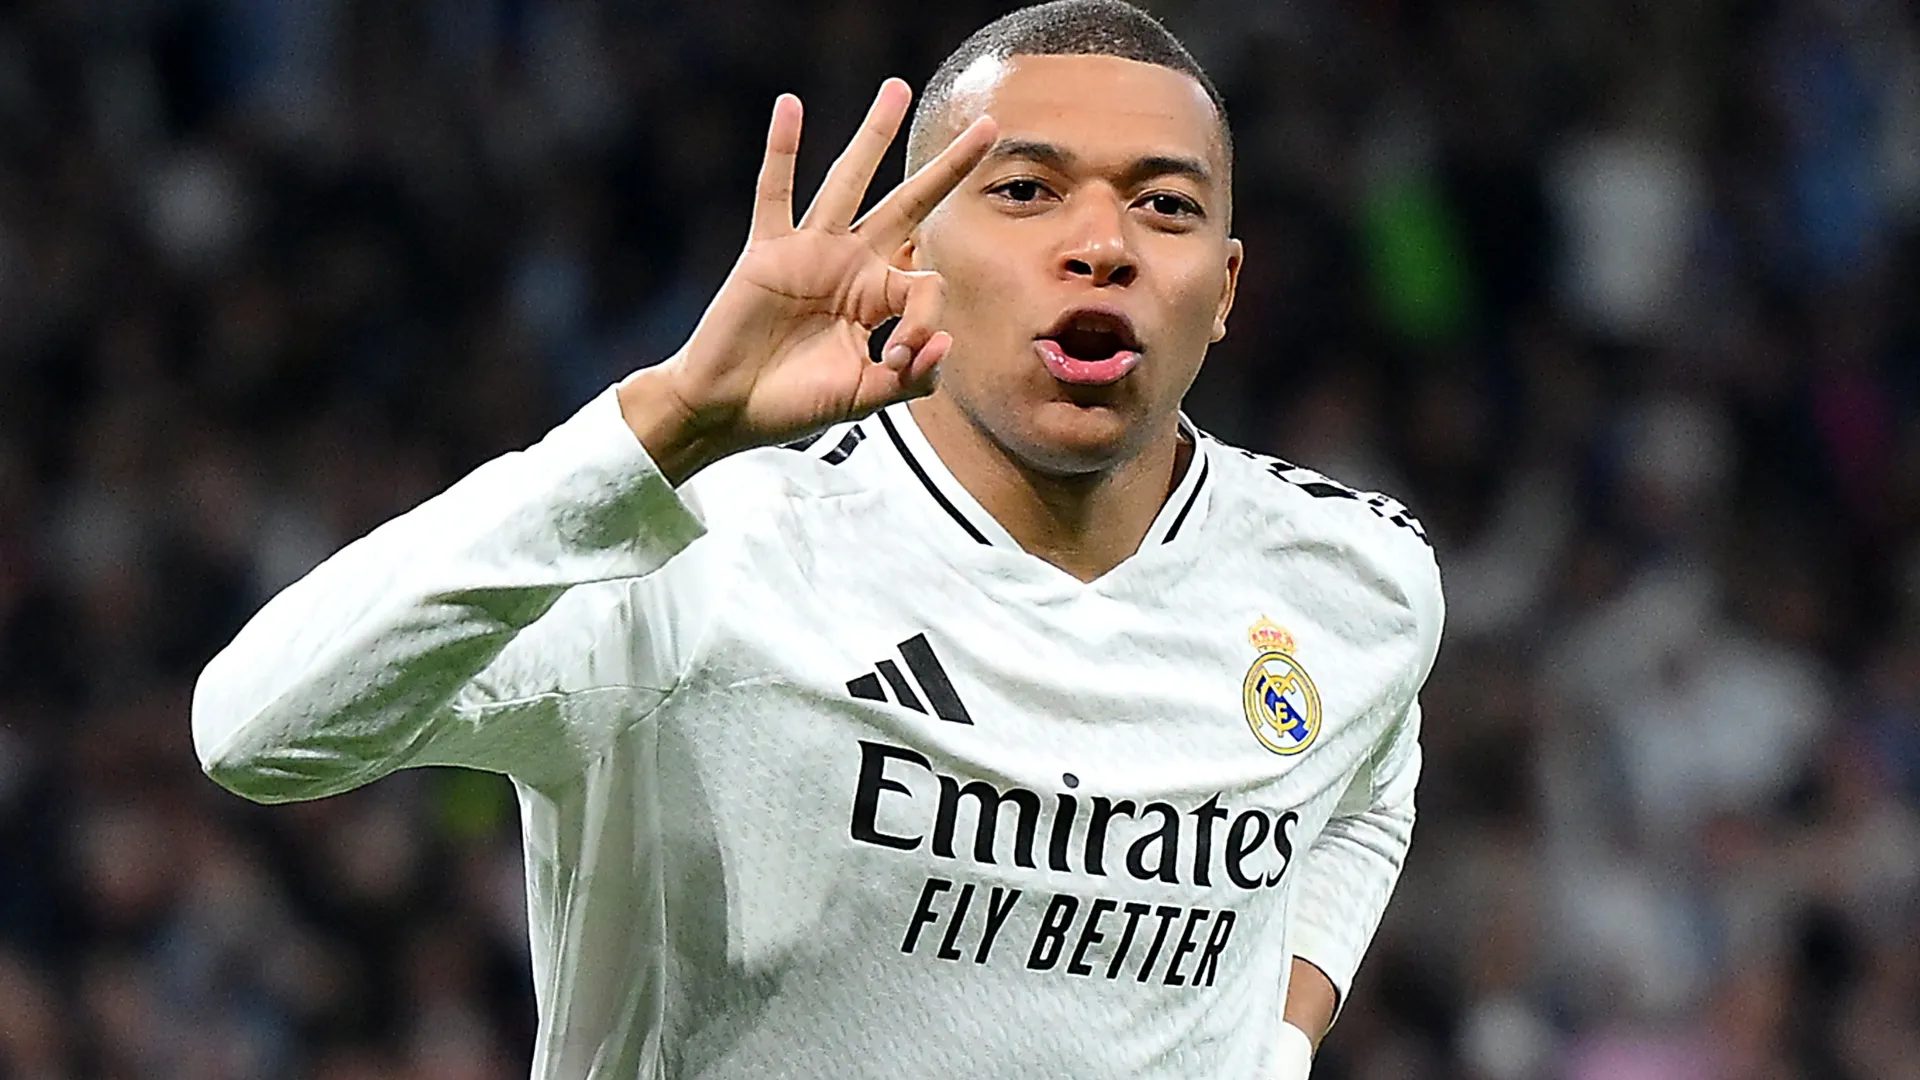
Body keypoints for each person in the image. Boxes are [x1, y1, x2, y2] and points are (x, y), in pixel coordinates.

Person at [192, 1, 1443, 1076]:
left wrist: (1278, 1038)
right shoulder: (702, 570)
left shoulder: (1355, 580)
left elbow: (1364, 790)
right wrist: (667, 421)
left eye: (1163, 207)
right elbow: (256, 731)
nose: (1103, 245)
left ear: (1223, 291)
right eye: (1025, 190)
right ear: (909, 252)